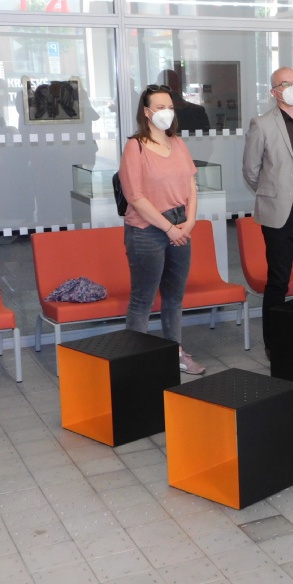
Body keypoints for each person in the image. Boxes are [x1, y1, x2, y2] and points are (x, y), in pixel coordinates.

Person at [118, 84, 205, 375]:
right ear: (146, 112)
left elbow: (191, 185)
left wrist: (189, 222)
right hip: (148, 230)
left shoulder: (177, 143)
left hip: (181, 226)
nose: (166, 112)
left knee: (174, 297)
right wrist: (169, 228)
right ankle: (135, 362)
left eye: (169, 107)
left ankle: (175, 352)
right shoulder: (135, 147)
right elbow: (135, 197)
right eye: (159, 107)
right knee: (142, 299)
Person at [242, 66, 293, 359]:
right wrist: (275, 194)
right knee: (278, 281)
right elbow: (251, 171)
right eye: (286, 83)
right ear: (274, 92)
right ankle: (275, 344)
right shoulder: (262, 124)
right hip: (281, 215)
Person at [157, 69, 210, 134]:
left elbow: (207, 136)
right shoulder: (156, 113)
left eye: (172, 84)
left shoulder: (197, 111)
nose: (170, 88)